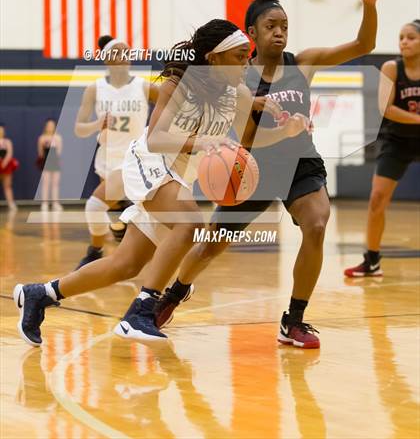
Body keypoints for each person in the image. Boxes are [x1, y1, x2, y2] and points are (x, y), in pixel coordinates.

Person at [13, 18, 309, 346]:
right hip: (150, 161)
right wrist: (201, 143)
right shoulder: (179, 84)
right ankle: (139, 313)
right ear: (214, 58)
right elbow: (155, 138)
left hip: (179, 174)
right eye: (240, 56)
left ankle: (40, 294)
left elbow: (251, 141)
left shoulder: (237, 92)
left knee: (125, 264)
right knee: (190, 222)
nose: (247, 62)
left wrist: (286, 130)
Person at [153, 0, 387, 349]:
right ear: (252, 35)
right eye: (271, 27)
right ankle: (174, 293)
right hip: (251, 168)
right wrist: (286, 128)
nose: (279, 33)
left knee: (316, 224)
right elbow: (248, 139)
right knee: (213, 243)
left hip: (300, 165)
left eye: (284, 27)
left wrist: (370, 5)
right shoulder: (237, 76)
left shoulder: (303, 62)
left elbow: (363, 46)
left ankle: (293, 319)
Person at [74, 35, 159, 269]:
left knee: (94, 206)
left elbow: (172, 101)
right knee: (112, 206)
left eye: (126, 51)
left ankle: (95, 251)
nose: (123, 56)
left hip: (132, 157)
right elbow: (79, 129)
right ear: (107, 59)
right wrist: (96, 125)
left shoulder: (143, 86)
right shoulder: (94, 89)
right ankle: (120, 226)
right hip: (106, 156)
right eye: (117, 52)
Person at [344, 19, 420, 278]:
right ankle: (372, 260)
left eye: (411, 37)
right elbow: (385, 108)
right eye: (401, 37)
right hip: (397, 140)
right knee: (377, 199)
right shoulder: (392, 67)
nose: (404, 42)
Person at [37, 119, 63, 212]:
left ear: (54, 127)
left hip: (55, 161)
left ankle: (55, 203)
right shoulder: (42, 138)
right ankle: (45, 203)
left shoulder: (58, 137)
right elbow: (40, 153)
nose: (50, 127)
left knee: (55, 183)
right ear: (46, 127)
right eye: (48, 125)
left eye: (52, 125)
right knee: (45, 183)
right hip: (45, 162)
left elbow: (59, 151)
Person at [0, 123, 19, 211]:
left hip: (6, 166)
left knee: (7, 186)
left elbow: (10, 153)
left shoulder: (7, 141)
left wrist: (4, 162)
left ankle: (11, 204)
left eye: (1, 130)